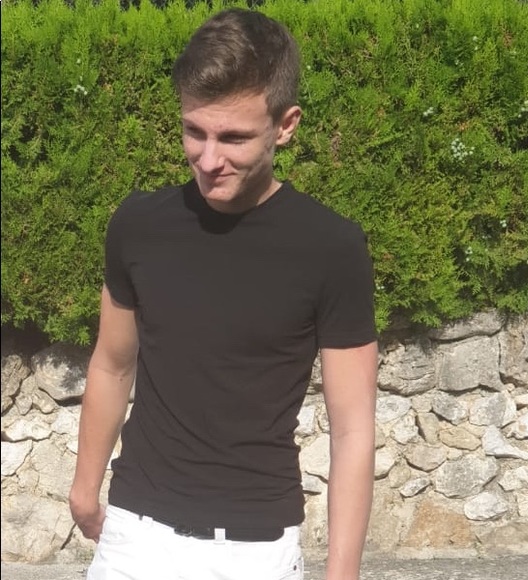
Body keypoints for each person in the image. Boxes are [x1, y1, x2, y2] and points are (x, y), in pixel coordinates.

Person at [69, 8, 378, 580]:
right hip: (134, 539)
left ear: (286, 125)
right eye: (195, 131)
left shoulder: (331, 247)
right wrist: (85, 487)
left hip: (256, 551)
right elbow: (112, 363)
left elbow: (353, 427)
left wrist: (343, 575)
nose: (209, 160)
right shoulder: (139, 225)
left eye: (233, 137)